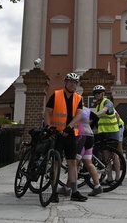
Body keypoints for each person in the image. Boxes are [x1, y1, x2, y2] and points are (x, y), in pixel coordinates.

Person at [44, 72, 86, 202]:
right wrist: (49, 128)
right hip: (56, 134)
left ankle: (74, 192)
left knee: (72, 162)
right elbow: (47, 113)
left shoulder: (78, 98)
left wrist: (70, 126)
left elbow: (79, 115)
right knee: (56, 163)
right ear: (66, 83)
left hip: (70, 134)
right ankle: (54, 191)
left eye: (75, 83)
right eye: (71, 82)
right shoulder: (56, 95)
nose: (73, 84)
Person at [92, 84, 121, 185]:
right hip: (103, 133)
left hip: (112, 132)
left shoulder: (107, 102)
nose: (97, 95)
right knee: (105, 155)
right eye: (95, 93)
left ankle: (118, 178)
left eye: (99, 93)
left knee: (114, 155)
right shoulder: (98, 105)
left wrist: (94, 115)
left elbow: (105, 110)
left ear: (103, 93)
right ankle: (109, 178)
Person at [76, 106, 103, 196]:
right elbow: (95, 118)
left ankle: (69, 188)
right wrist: (90, 127)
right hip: (90, 135)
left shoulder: (74, 108)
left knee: (74, 163)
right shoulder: (87, 110)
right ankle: (97, 186)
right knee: (88, 162)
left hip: (81, 135)